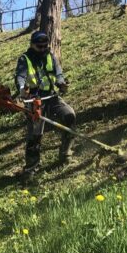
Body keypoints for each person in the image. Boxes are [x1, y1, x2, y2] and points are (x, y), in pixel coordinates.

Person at [14, 31, 75, 180]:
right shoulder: (25, 59)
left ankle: (65, 154)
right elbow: (20, 77)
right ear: (32, 45)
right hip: (35, 100)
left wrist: (61, 83)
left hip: (51, 96)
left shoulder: (50, 57)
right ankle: (31, 168)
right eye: (39, 46)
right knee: (35, 133)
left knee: (69, 116)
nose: (42, 49)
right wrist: (22, 89)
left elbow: (58, 73)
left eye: (44, 46)